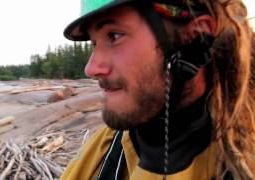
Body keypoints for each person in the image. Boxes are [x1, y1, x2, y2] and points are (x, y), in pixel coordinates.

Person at [60, 0, 255, 179]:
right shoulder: (103, 152)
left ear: (197, 37)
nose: (91, 68)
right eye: (94, 43)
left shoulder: (243, 163)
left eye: (114, 35)